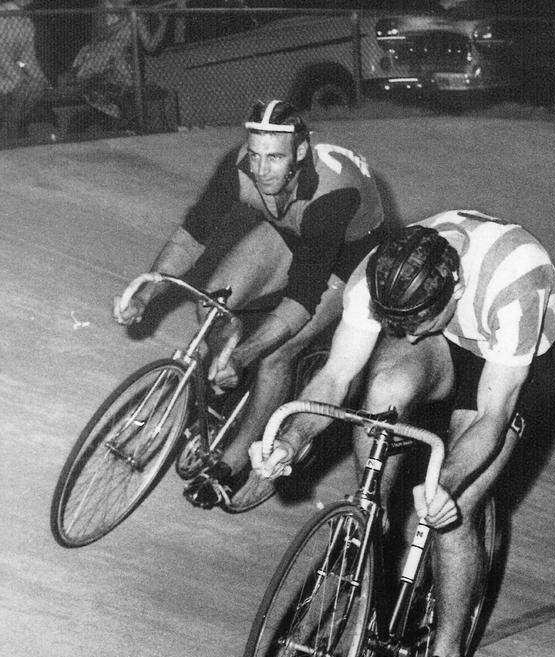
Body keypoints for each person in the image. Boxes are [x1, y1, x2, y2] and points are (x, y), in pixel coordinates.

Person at [251, 209, 555, 657]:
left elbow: (491, 415)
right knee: (382, 391)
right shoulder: (382, 276)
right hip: (449, 330)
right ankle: (374, 523)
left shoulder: (516, 285)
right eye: (398, 324)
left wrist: (445, 484)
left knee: (450, 511)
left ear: (454, 288)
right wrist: (290, 439)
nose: (408, 337)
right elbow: (335, 376)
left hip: (503, 361)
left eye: (415, 323)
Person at [113, 98, 386, 511]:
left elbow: (300, 300)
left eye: (274, 158)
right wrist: (150, 289)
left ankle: (233, 460)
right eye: (255, 156)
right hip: (290, 229)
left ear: (300, 151)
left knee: (276, 353)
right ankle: (230, 382)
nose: (261, 171)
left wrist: (245, 355)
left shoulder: (332, 194)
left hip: (348, 255)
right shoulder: (239, 166)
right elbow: (193, 234)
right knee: (212, 306)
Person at [72, 0, 170, 122]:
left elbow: (150, 46)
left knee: (125, 102)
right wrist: (126, 19)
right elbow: (101, 33)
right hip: (100, 58)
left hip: (121, 61)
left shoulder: (135, 14)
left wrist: (164, 22)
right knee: (100, 98)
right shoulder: (104, 4)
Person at [0, 0, 48, 142]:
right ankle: (13, 136)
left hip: (7, 73)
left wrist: (41, 79)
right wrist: (17, 77)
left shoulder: (25, 19)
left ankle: (12, 126)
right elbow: (1, 53)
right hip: (6, 73)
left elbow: (27, 56)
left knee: (37, 86)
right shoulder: (3, 14)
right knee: (20, 87)